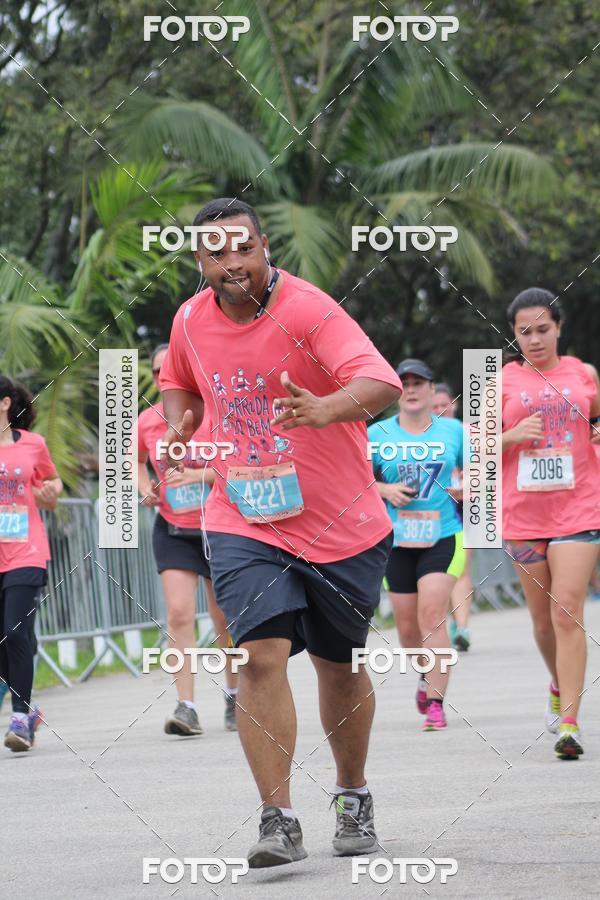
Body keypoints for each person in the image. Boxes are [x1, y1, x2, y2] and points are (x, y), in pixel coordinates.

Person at [159, 197, 401, 868]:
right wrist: (180, 422)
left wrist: (325, 408)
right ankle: (279, 819)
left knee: (338, 664)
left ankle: (352, 794)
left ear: (265, 248)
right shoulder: (189, 320)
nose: (233, 262)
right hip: (243, 514)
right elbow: (179, 382)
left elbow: (379, 381)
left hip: (339, 522)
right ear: (199, 260)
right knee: (258, 656)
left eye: (245, 248)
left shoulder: (309, 309)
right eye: (217, 253)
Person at [501, 287, 600, 760]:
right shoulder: (496, 381)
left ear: (559, 327)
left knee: (566, 610)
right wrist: (512, 436)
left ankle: (570, 725)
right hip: (523, 515)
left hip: (579, 505)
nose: (535, 339)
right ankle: (559, 684)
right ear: (514, 335)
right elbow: (473, 446)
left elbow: (595, 422)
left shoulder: (584, 373)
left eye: (543, 329)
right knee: (542, 621)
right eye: (525, 332)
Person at [137, 345, 238, 734]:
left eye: (170, 368)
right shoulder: (147, 421)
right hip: (174, 529)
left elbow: (235, 464)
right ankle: (186, 707)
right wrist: (144, 488)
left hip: (219, 526)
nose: (164, 376)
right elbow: (132, 462)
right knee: (179, 613)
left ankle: (235, 695)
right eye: (157, 371)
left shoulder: (214, 415)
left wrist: (197, 476)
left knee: (224, 617)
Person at [368, 360, 464, 730]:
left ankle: (437, 703)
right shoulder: (377, 434)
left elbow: (480, 472)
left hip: (444, 535)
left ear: (430, 389)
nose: (410, 389)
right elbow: (355, 479)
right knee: (408, 628)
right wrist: (385, 489)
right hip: (397, 540)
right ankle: (425, 675)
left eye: (418, 383)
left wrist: (467, 487)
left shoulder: (454, 431)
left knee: (432, 614)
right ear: (396, 392)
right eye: (404, 383)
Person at [0, 376, 61, 751]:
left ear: (5, 403)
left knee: (15, 631)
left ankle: (20, 718)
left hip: (26, 549)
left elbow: (51, 487)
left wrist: (51, 490)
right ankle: (30, 708)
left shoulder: (32, 444)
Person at [434, 382, 473, 651]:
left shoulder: (466, 431)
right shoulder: (421, 435)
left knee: (461, 568)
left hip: (466, 505)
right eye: (434, 406)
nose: (440, 410)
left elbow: (484, 465)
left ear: (454, 404)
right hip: (434, 510)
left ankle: (462, 628)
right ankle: (452, 622)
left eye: (444, 405)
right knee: (443, 572)